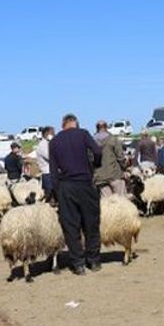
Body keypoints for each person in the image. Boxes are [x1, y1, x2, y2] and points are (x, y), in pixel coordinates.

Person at [49, 113, 102, 274]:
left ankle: (78, 263)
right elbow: (97, 151)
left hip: (66, 186)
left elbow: (53, 170)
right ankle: (93, 260)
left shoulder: (54, 141)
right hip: (85, 183)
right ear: (76, 124)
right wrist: (94, 166)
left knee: (71, 227)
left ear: (62, 125)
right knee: (91, 223)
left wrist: (57, 192)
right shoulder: (83, 134)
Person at [93, 120, 127, 198]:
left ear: (97, 128)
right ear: (106, 127)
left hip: (100, 177)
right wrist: (124, 168)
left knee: (107, 202)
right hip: (115, 174)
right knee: (121, 200)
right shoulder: (113, 139)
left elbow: (90, 159)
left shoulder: (92, 142)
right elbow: (120, 157)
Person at [35, 126, 55, 202]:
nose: (54, 134)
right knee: (50, 194)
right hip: (47, 173)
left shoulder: (47, 143)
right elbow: (50, 156)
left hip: (51, 172)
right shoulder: (43, 145)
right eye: (52, 133)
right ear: (47, 134)